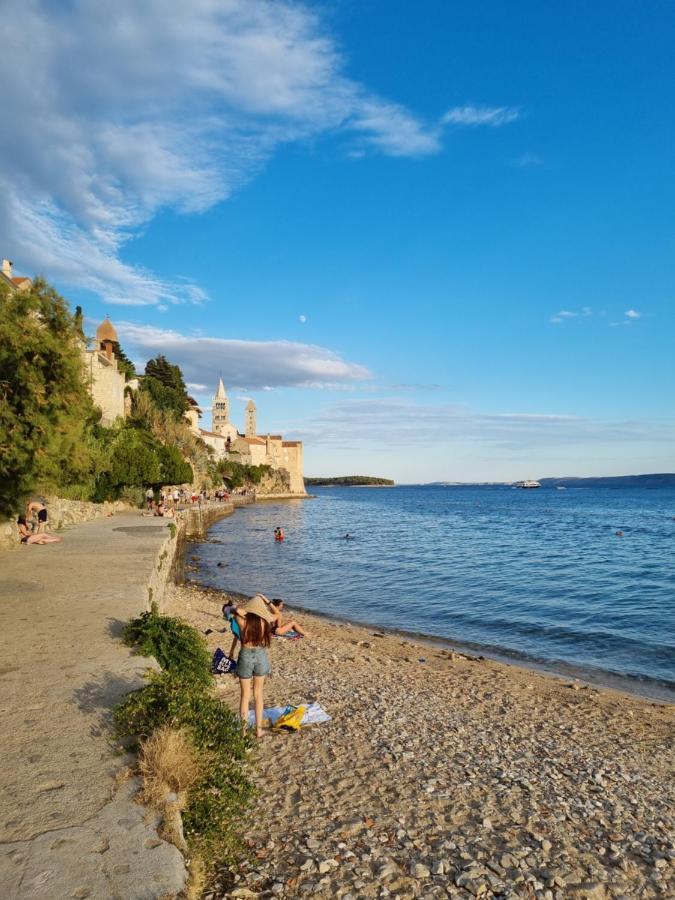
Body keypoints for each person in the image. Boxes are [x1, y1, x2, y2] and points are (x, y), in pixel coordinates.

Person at [233, 595, 276, 739]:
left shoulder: (240, 620)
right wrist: (267, 601)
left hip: (245, 654)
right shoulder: (265, 621)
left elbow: (233, 610)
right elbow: (277, 615)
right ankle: (258, 730)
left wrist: (245, 610)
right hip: (260, 655)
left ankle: (244, 732)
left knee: (245, 696)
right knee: (258, 695)